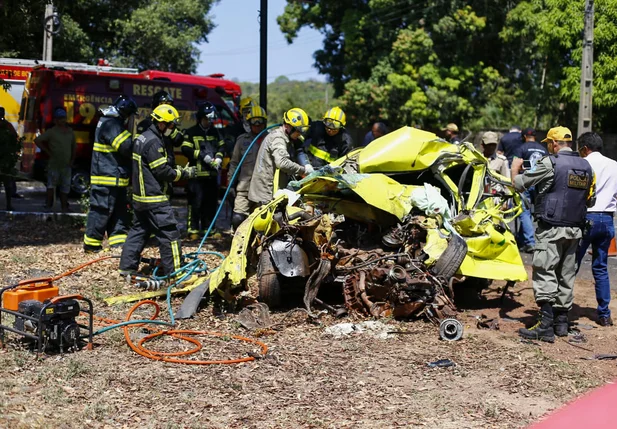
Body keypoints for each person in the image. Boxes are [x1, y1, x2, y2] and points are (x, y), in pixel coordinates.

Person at [513, 126, 595, 342]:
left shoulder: (551, 162)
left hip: (550, 228)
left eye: (549, 143)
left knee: (545, 270)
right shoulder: (586, 166)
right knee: (566, 274)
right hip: (575, 229)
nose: (549, 147)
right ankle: (561, 323)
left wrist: (514, 172)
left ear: (554, 143)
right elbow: (591, 199)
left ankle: (545, 324)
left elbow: (522, 183)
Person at [120, 105, 196, 278]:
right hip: (154, 198)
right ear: (161, 123)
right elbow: (163, 172)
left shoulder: (143, 137)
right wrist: (185, 173)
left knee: (139, 232)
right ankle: (176, 274)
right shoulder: (154, 142)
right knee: (170, 234)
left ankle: (127, 268)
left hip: (141, 198)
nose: (173, 129)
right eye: (171, 125)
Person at [83, 96, 137, 252]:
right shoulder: (111, 124)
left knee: (120, 212)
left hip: (115, 178)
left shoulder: (110, 122)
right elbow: (125, 146)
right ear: (125, 113)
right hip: (106, 178)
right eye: (129, 115)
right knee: (101, 211)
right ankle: (91, 245)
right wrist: (139, 141)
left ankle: (118, 243)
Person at [576, 132, 617, 327]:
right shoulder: (614, 165)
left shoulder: (584, 164)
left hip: (587, 217)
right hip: (608, 219)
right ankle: (604, 314)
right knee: (600, 267)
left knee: (571, 264)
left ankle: (561, 309)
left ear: (584, 148)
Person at [248, 107, 313, 206]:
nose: (299, 134)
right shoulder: (278, 138)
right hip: (266, 192)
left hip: (272, 189)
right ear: (287, 126)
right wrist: (303, 170)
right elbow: (282, 162)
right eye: (298, 130)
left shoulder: (288, 138)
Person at [181, 101, 225, 239]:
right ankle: (193, 230)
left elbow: (222, 147)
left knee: (210, 203)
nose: (209, 122)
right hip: (196, 175)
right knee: (196, 203)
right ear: (200, 118)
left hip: (211, 175)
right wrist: (201, 156)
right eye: (206, 119)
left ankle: (209, 230)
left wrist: (218, 158)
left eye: (211, 119)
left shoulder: (215, 132)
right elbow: (185, 149)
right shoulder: (191, 132)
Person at [228, 105, 267, 229]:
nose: (257, 125)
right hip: (244, 189)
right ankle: (237, 245)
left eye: (260, 121)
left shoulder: (271, 140)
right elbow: (234, 163)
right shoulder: (241, 141)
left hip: (264, 191)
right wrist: (230, 184)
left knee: (259, 224)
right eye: (254, 122)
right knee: (238, 219)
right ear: (249, 123)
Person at [510, 128, 548, 253]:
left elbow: (515, 164)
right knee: (532, 212)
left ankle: (530, 242)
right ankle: (522, 240)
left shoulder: (521, 148)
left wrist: (513, 182)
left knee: (523, 212)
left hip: (525, 182)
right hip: (540, 183)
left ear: (525, 136)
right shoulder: (543, 149)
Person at [34, 107, 76, 212]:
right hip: (54, 164)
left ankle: (64, 207)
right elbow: (37, 140)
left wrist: (72, 160)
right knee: (51, 186)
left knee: (65, 188)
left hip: (66, 165)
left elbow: (74, 147)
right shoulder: (51, 132)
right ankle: (48, 206)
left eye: (64, 118)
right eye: (60, 118)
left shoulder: (70, 132)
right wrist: (47, 152)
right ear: (55, 120)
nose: (62, 120)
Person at [136, 91, 184, 169]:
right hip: (152, 166)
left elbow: (178, 141)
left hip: (168, 166)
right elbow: (139, 147)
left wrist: (169, 129)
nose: (166, 107)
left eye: (168, 104)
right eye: (162, 104)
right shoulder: (145, 124)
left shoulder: (171, 125)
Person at [0, 106, 20, 210]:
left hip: (6, 159)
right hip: (4, 159)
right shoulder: (7, 125)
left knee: (8, 184)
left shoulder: (8, 126)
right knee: (7, 183)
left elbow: (15, 139)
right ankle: (8, 205)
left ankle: (8, 204)